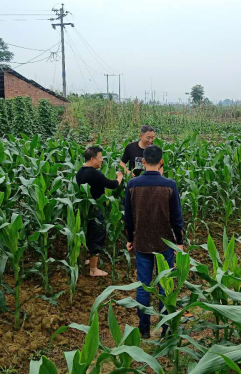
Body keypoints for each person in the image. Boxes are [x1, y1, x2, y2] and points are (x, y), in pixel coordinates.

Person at [124, 145, 183, 339]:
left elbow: (128, 217)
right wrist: (179, 242)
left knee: (143, 285)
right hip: (164, 243)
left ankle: (144, 329)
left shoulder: (132, 184)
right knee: (165, 286)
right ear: (161, 161)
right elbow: (176, 218)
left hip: (141, 242)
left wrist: (129, 238)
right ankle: (166, 329)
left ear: (143, 161)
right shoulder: (169, 185)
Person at [76, 146, 123, 277]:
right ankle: (93, 269)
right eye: (100, 157)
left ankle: (86, 260)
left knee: (87, 235)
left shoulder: (80, 171)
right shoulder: (94, 173)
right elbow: (113, 185)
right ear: (92, 159)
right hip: (95, 209)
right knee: (97, 236)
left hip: (85, 209)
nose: (102, 160)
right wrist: (120, 176)